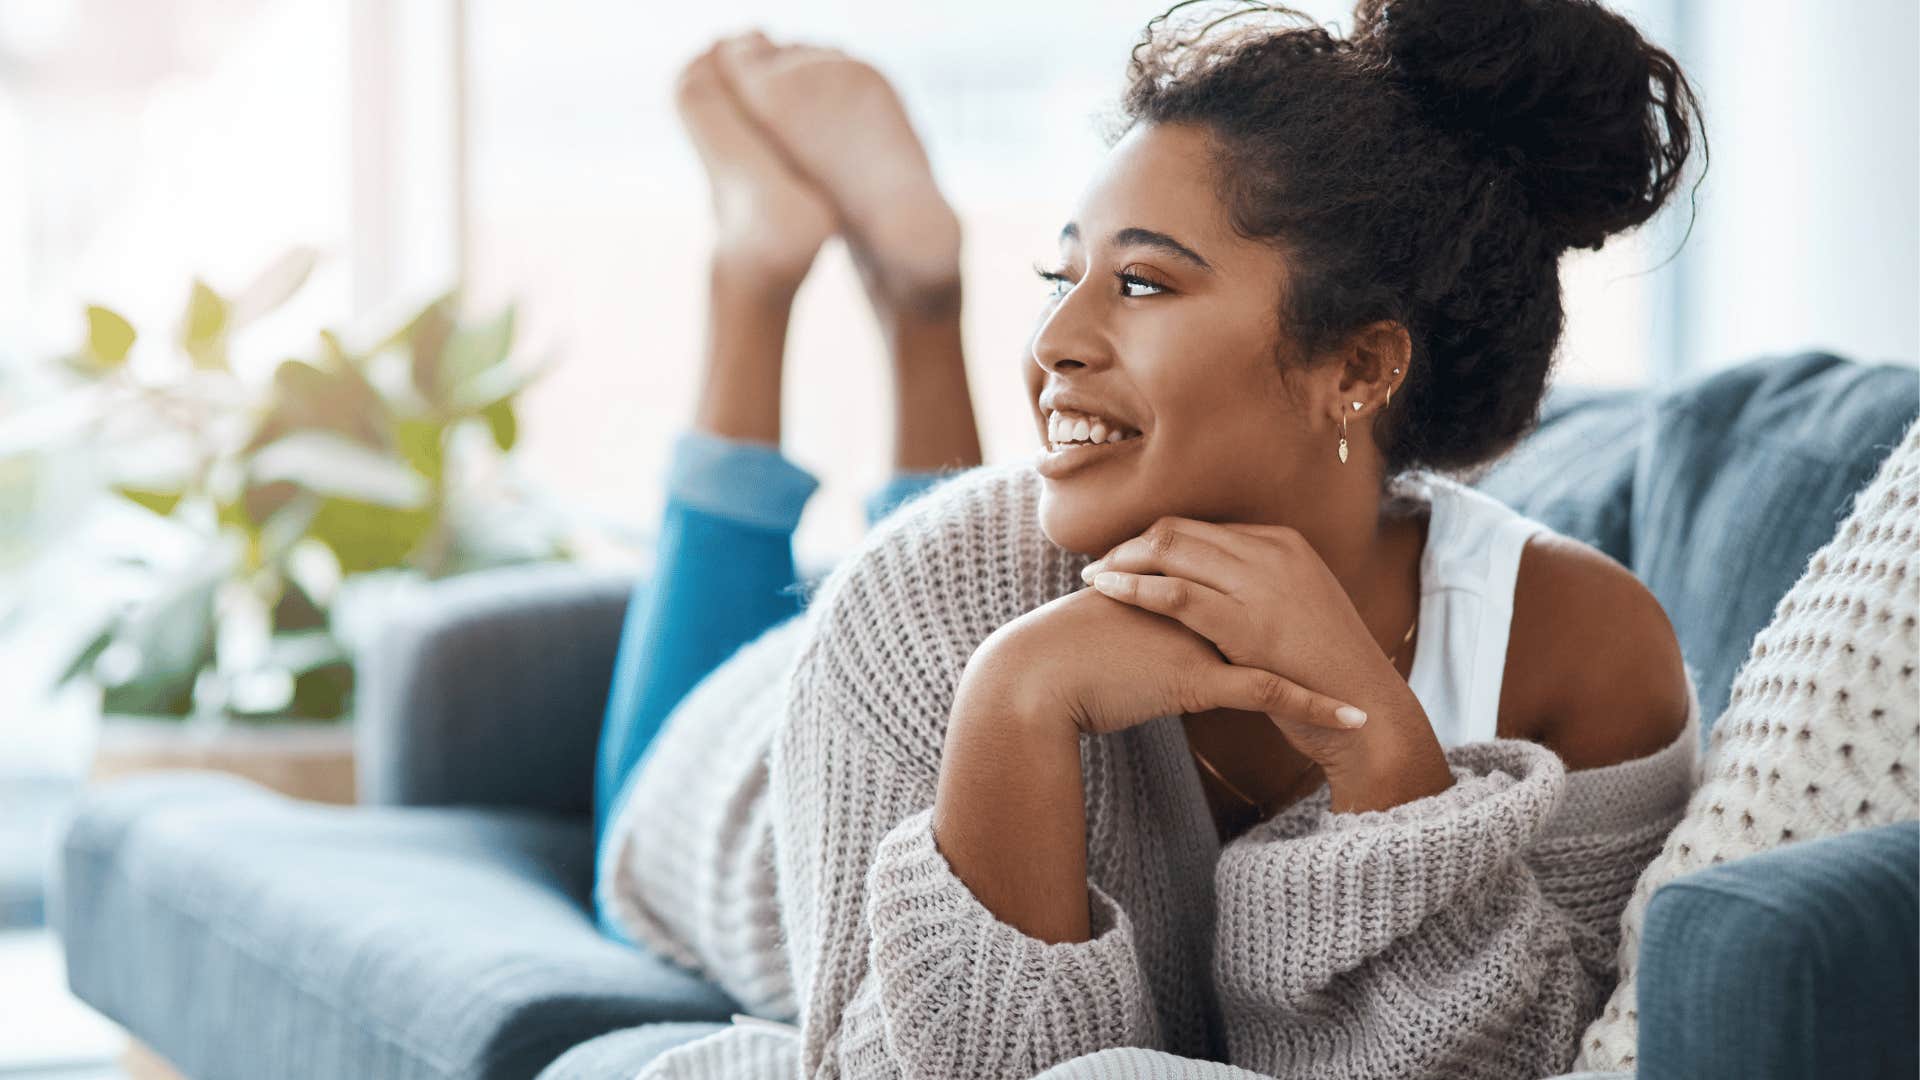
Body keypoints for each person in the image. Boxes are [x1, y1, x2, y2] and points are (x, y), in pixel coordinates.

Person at [595, 1, 1710, 1077]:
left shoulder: (1580, 649)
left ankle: (908, 289)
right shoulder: (913, 603)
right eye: (1058, 275)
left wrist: (1384, 758)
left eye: (1139, 281)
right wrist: (1015, 700)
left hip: (947, 591)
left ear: (1359, 370)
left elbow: (1528, 1062)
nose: (1051, 339)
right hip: (727, 786)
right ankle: (765, 273)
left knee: (965, 537)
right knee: (932, 568)